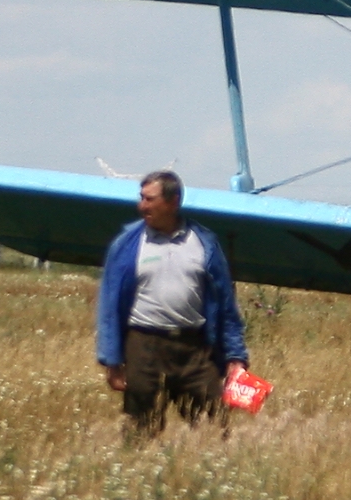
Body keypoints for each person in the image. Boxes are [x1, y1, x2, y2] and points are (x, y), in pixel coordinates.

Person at [95, 170, 248, 433]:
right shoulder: (127, 245)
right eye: (142, 198)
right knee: (141, 426)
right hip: (143, 346)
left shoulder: (204, 243)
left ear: (173, 201)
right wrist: (112, 359)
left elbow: (225, 304)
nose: (142, 206)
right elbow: (109, 305)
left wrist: (236, 356)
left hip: (195, 348)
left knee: (213, 427)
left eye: (150, 199)